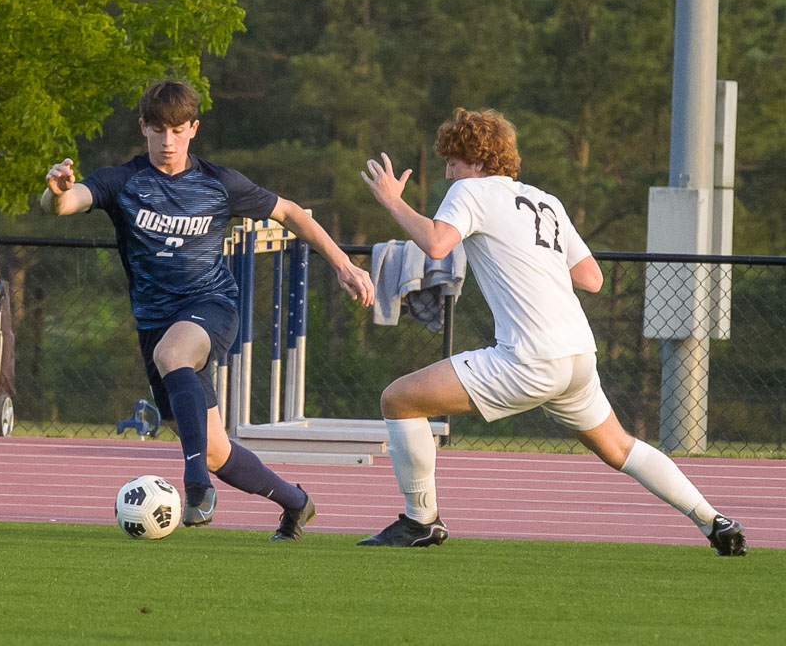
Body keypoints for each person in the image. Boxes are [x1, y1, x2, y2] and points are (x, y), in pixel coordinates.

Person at [356, 107, 746, 556]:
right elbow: (592, 278)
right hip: (578, 355)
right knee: (621, 448)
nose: (447, 173)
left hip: (529, 358)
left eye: (454, 162)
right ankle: (714, 521)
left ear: (479, 164)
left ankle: (419, 521)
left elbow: (437, 243)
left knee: (399, 400)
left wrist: (391, 201)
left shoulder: (471, 191)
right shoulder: (546, 202)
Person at [42, 79, 375, 539]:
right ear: (143, 128)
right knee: (215, 450)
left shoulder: (219, 183)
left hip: (212, 306)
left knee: (173, 356)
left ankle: (195, 487)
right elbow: (64, 203)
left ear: (193, 128)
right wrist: (58, 190)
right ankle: (296, 503)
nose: (167, 140)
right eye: (158, 130)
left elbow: (293, 213)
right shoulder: (123, 182)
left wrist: (343, 264)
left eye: (178, 130)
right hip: (155, 324)